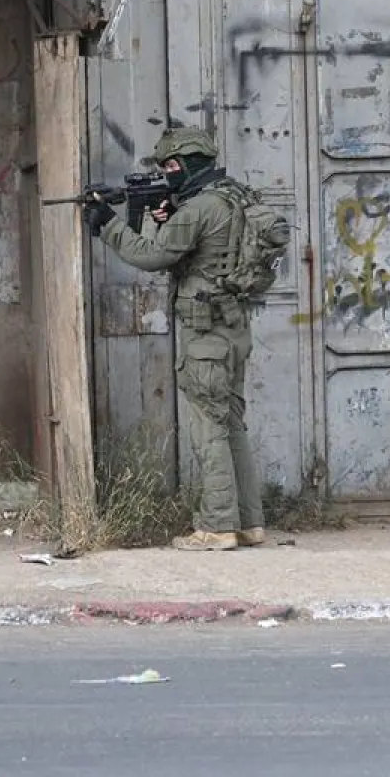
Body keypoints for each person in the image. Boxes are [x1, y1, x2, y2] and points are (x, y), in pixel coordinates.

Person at [82, 125, 264, 552]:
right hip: (234, 329)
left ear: (187, 163)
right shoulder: (235, 196)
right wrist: (168, 216)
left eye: (169, 165)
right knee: (232, 424)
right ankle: (249, 523)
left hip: (206, 336)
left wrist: (108, 226)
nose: (166, 173)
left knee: (208, 429)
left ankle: (217, 526)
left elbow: (153, 256)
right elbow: (198, 247)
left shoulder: (200, 208)